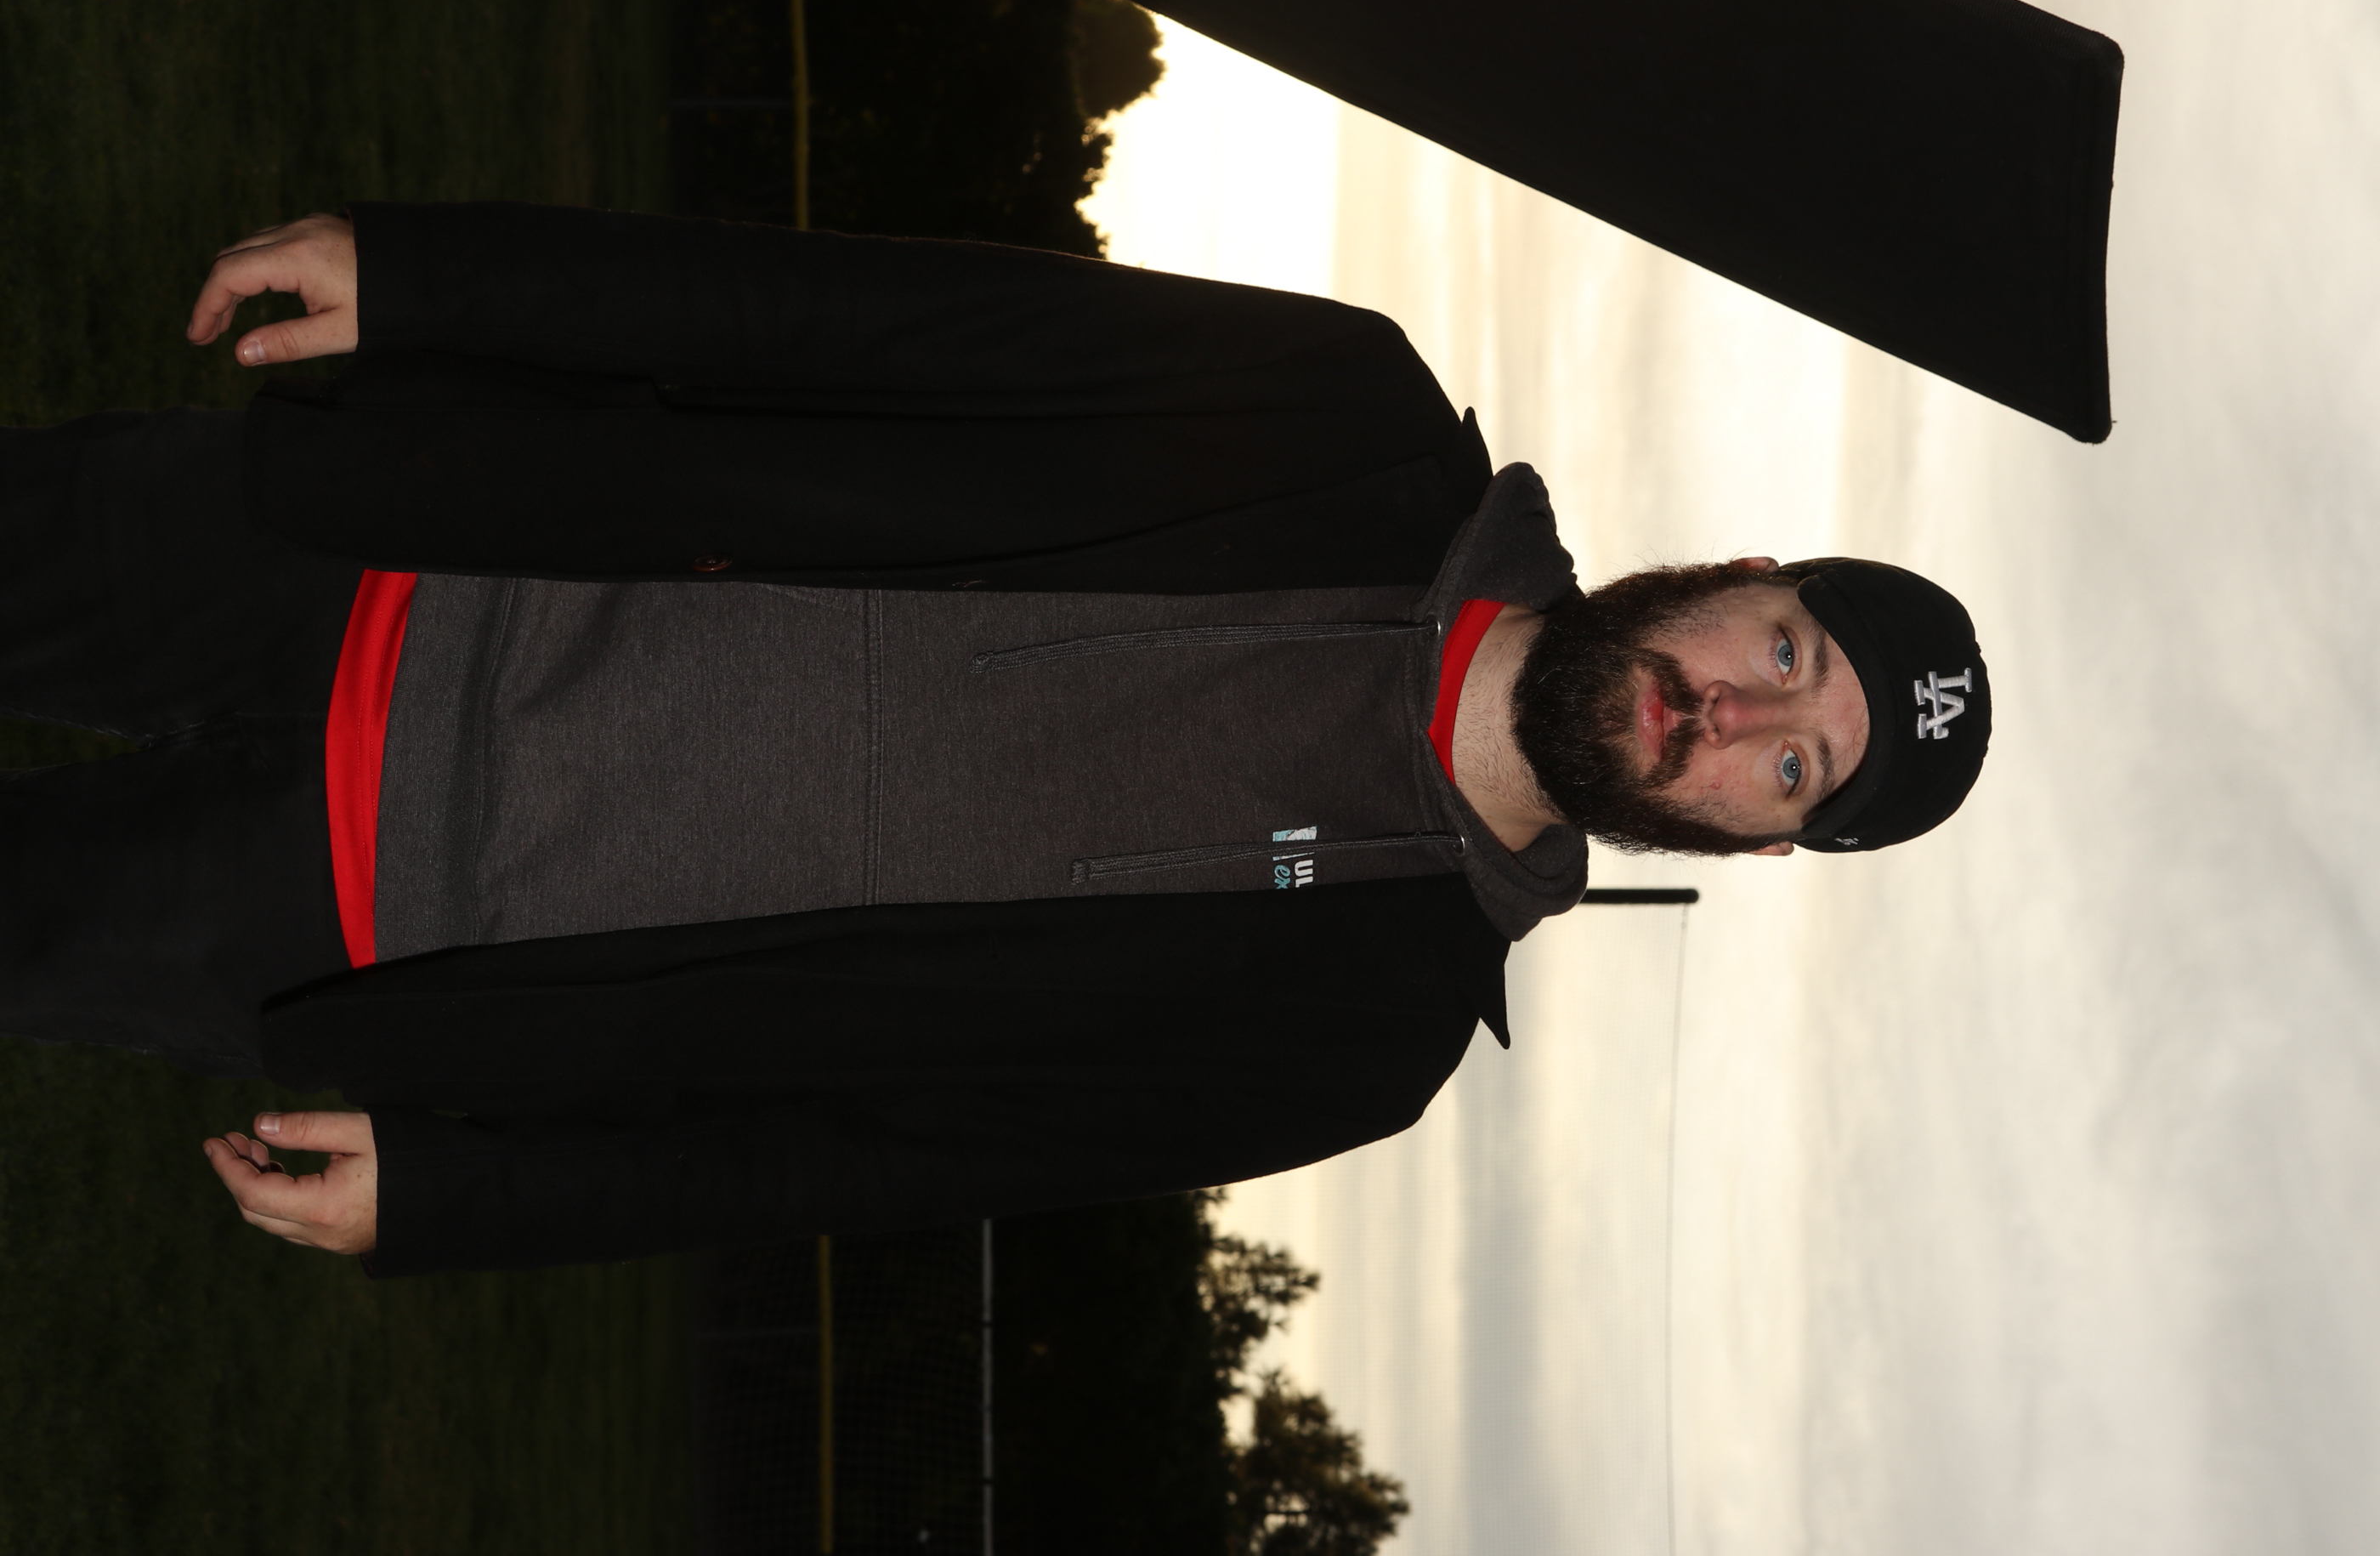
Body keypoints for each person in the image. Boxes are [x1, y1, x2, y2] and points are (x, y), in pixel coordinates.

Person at [4, 206, 1989, 1274]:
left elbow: (866, 1153)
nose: (1731, 711)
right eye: (1784, 648)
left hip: (369, 921)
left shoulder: (1356, 1039)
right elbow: (865, 319)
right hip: (384, 552)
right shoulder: (1344, 412)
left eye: (1788, 762)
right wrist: (444, 284)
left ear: (1753, 839)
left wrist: (465, 1193)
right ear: (1740, 573)